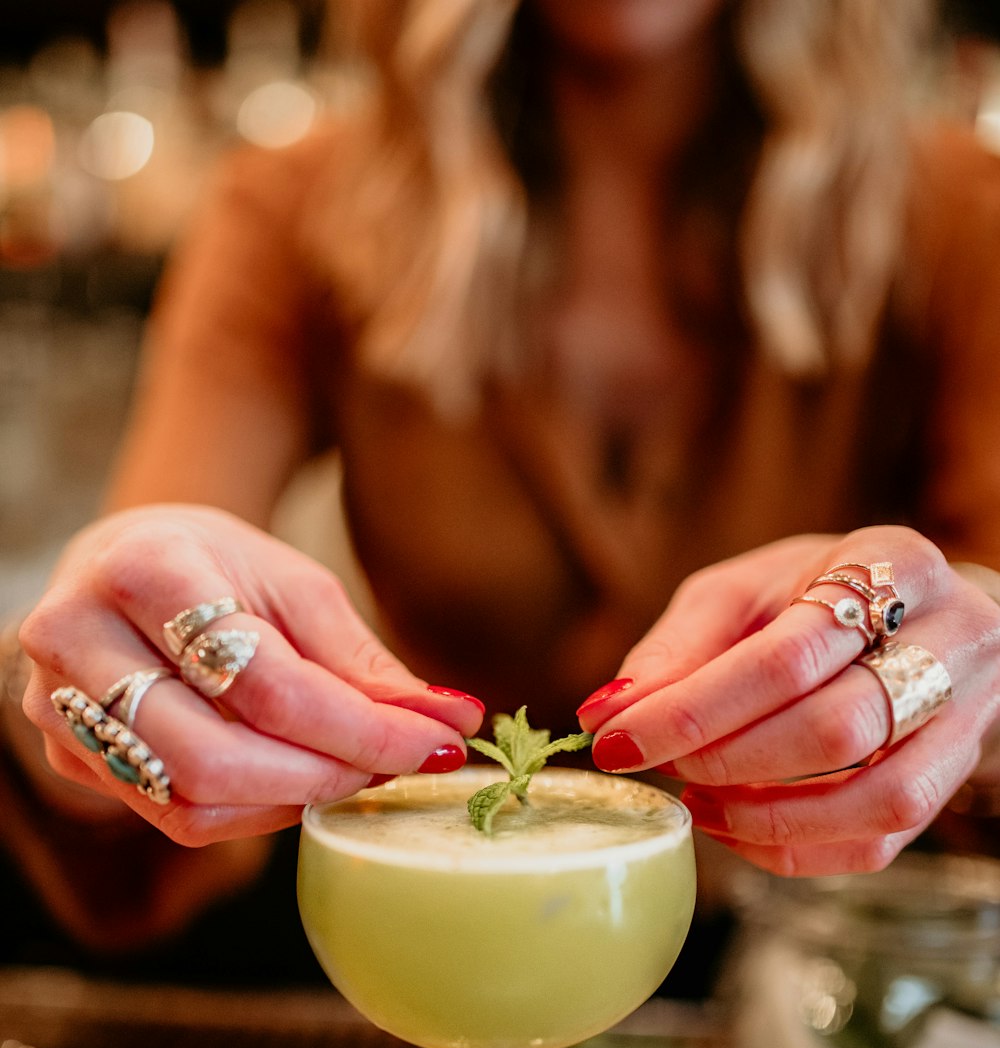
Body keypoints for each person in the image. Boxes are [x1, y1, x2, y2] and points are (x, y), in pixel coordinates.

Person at [3, 0, 1000, 967]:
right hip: (440, 949)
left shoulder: (960, 217)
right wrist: (78, 684)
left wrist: (966, 664)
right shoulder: (292, 209)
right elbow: (138, 626)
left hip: (832, 979)